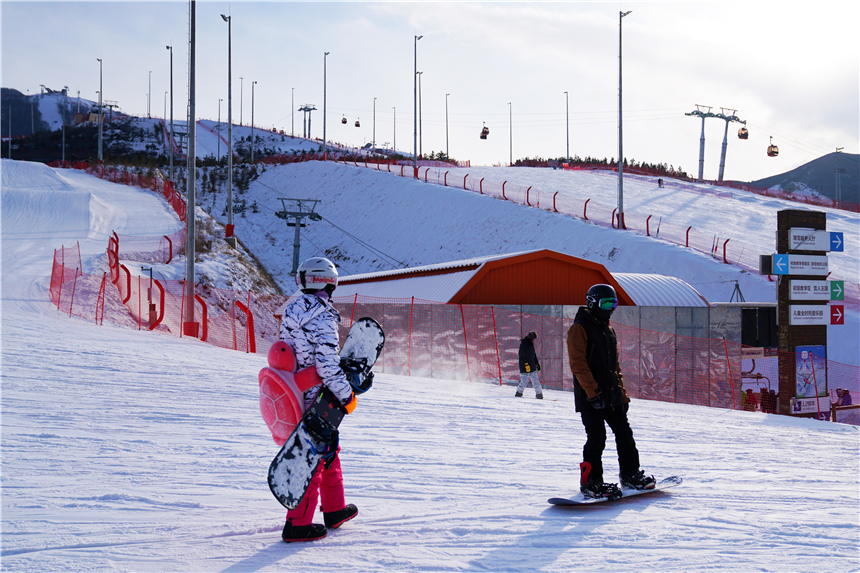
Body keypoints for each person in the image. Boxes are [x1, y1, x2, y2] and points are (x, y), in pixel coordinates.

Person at [278, 257, 359, 542]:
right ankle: (298, 525)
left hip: (296, 392)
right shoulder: (323, 316)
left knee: (328, 450)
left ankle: (335, 509)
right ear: (328, 281)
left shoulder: (291, 311)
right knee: (313, 457)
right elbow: (326, 365)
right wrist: (346, 395)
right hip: (319, 399)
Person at [567, 284, 656, 499]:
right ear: (592, 303)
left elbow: (615, 367)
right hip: (591, 396)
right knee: (597, 438)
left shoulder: (608, 329)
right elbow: (578, 364)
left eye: (613, 303)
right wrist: (593, 392)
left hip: (612, 395)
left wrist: (622, 395)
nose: (611, 308)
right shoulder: (579, 328)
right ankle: (591, 483)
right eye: (606, 303)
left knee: (625, 434)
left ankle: (630, 474)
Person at [515, 331, 543, 399]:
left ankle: (539, 394)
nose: (534, 340)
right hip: (525, 367)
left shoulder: (531, 344)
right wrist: (526, 364)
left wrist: (537, 363)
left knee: (535, 380)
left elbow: (533, 355)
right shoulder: (523, 344)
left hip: (532, 366)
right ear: (530, 337)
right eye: (533, 338)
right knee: (524, 381)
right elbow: (522, 356)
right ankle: (519, 392)